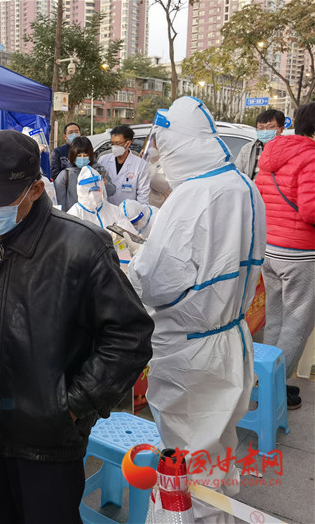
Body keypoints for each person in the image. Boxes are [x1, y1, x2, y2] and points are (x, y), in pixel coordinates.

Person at [0, 130, 154, 524]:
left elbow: (130, 338)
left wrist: (72, 405)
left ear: (36, 190)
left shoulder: (83, 247)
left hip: (52, 441)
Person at [127, 97, 266, 524]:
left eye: (165, 147)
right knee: (215, 452)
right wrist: (156, 225)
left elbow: (158, 282)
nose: (161, 157)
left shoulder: (193, 195)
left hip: (190, 352)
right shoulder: (244, 185)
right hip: (228, 339)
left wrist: (132, 263)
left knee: (184, 464)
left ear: (180, 144)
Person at [255, 101, 315, 409]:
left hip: (270, 249)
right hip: (300, 253)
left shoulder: (272, 155)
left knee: (276, 318)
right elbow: (310, 209)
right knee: (297, 323)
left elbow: (258, 198)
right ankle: (275, 385)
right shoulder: (312, 158)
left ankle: (265, 377)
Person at [66, 162, 139, 267]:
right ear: (82, 191)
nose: (95, 194)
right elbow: (72, 249)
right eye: (90, 190)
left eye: (97, 190)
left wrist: (130, 237)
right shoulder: (74, 215)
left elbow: (129, 233)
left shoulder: (113, 210)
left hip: (117, 265)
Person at [54, 136, 115, 211]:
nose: (82, 158)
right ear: (73, 155)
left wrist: (104, 183)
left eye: (85, 156)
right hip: (74, 218)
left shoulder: (98, 171)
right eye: (79, 156)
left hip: (96, 217)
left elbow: (112, 191)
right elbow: (60, 202)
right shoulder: (65, 175)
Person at [97, 124, 150, 205]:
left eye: (118, 143)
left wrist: (139, 213)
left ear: (128, 143)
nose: (114, 147)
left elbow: (143, 194)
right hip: (107, 210)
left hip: (129, 213)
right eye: (112, 143)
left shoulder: (140, 164)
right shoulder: (103, 160)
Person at [235, 109, 285, 180]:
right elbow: (237, 173)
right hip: (253, 189)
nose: (265, 131)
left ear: (281, 129)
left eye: (270, 127)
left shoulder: (288, 150)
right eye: (261, 128)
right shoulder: (248, 149)